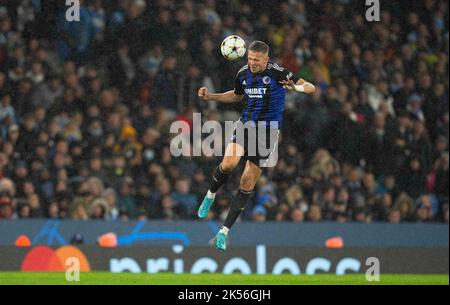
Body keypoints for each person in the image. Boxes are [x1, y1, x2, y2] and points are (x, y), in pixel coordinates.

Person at [197, 41, 316, 251]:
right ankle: (210, 195)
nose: (252, 63)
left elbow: (311, 87)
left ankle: (223, 233)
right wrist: (211, 97)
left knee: (247, 182)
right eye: (249, 58)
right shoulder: (243, 73)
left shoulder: (279, 72)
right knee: (228, 164)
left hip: (268, 133)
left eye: (256, 60)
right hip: (246, 125)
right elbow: (237, 94)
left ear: (266, 60)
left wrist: (294, 86)